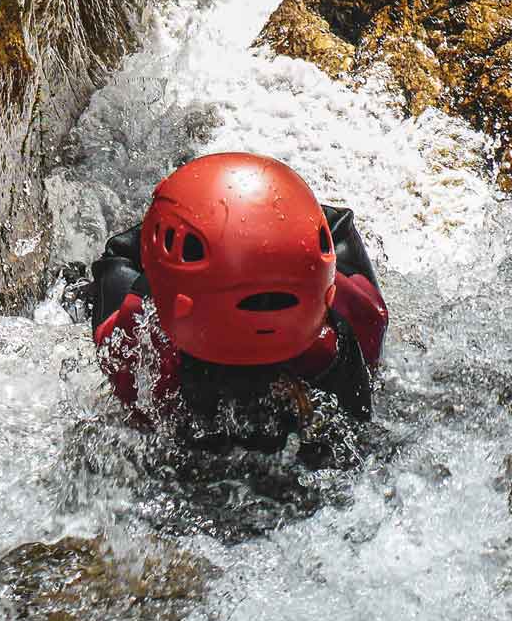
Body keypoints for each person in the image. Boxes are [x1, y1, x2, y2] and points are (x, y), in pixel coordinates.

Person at [90, 153, 389, 463]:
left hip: (261, 267)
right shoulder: (359, 317)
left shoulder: (138, 334)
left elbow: (138, 421)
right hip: (300, 259)